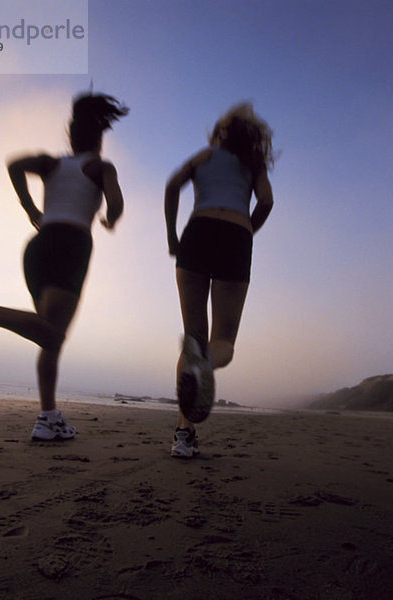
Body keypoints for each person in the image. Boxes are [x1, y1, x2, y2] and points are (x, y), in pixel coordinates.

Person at [0, 92, 128, 441]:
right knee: (52, 333)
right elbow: (115, 204)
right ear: (99, 138)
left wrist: (30, 209)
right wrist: (110, 218)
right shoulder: (101, 167)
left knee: (47, 336)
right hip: (71, 244)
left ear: (71, 135)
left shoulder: (51, 163)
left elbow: (13, 164)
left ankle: (47, 417)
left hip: (37, 248)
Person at [164, 102, 275, 457]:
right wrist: (246, 230)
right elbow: (267, 202)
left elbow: (171, 186)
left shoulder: (205, 156)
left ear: (218, 133)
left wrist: (171, 236)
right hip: (235, 239)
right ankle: (206, 365)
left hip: (197, 233)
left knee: (192, 339)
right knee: (222, 340)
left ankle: (183, 435)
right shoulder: (252, 163)